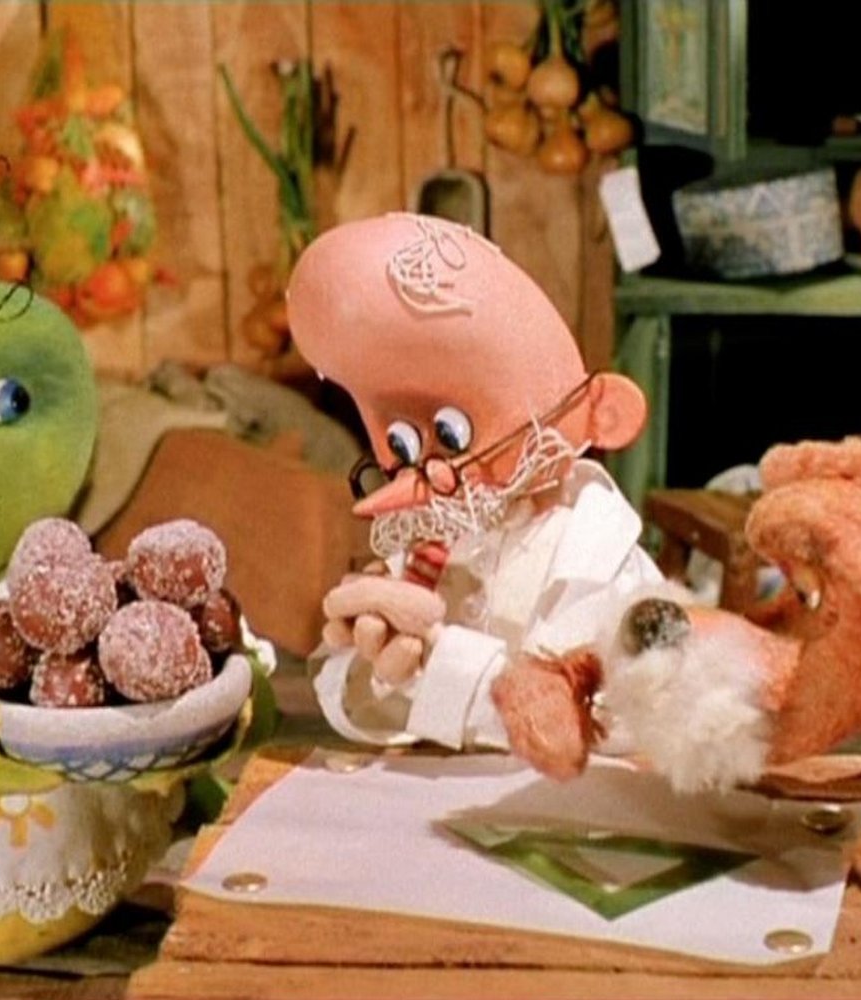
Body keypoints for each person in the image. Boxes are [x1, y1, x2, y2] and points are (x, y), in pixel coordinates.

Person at [285, 212, 670, 765]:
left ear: (606, 413)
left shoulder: (605, 562)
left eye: (449, 433)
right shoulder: (433, 545)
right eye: (399, 441)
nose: (421, 470)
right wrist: (374, 673)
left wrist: (443, 664)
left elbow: (623, 720)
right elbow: (356, 700)